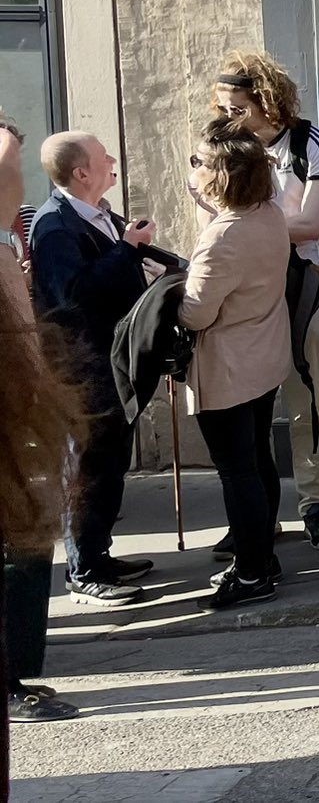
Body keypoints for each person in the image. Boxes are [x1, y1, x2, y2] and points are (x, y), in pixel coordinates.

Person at [212, 50, 319, 551]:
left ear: (267, 101)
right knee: (244, 407)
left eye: (237, 108)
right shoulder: (224, 145)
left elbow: (313, 224)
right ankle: (255, 516)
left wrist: (246, 228)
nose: (228, 119)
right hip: (239, 288)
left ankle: (316, 505)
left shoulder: (316, 145)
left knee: (305, 398)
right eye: (223, 108)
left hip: (298, 282)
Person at [28, 131, 155, 605]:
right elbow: (72, 294)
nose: (112, 161)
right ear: (81, 173)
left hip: (114, 359)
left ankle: (99, 555)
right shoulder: (55, 226)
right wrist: (127, 250)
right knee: (87, 466)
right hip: (83, 365)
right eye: (103, 158)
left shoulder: (100, 214)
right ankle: (82, 570)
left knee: (111, 461)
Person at [179, 120, 294, 609]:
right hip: (264, 357)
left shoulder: (223, 235)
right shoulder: (268, 213)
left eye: (200, 163)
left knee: (237, 470)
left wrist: (169, 293)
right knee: (257, 459)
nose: (195, 170)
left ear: (222, 173)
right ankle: (261, 557)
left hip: (226, 366)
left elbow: (196, 311)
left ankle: (250, 573)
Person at [0, 128, 85, 717]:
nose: (18, 180)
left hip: (16, 414)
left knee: (25, 543)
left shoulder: (13, 234)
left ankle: (15, 675)